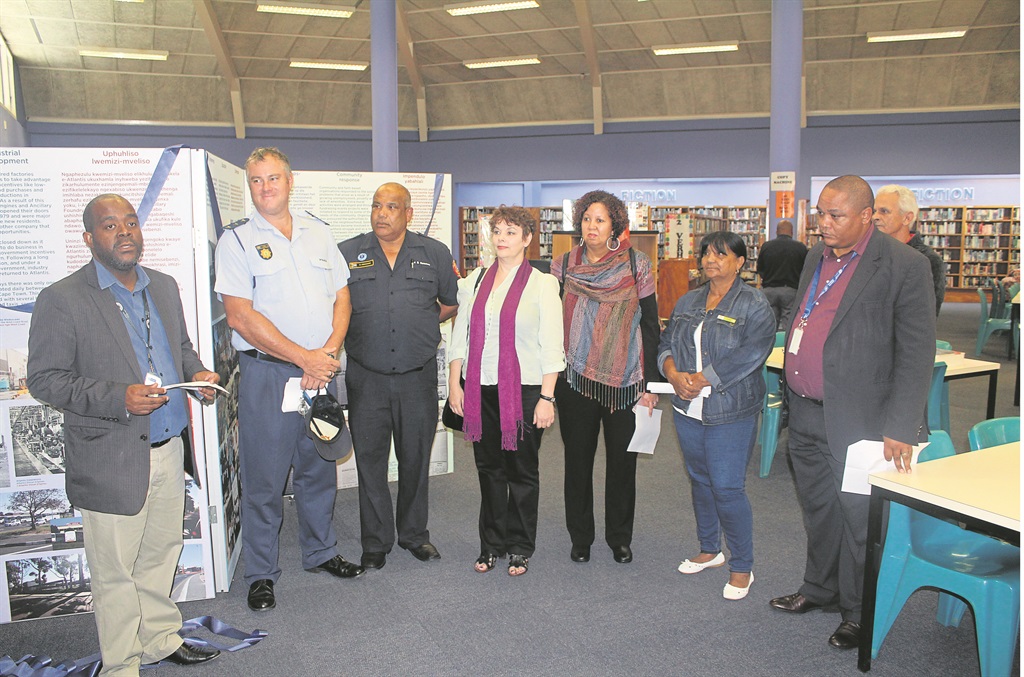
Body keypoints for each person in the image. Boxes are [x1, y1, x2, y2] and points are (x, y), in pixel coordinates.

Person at [27, 194, 222, 674]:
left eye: (130, 223)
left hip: (169, 448)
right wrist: (119, 398)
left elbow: (180, 348)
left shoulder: (164, 286)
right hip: (110, 456)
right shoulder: (62, 298)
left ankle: (160, 639)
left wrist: (198, 375)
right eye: (110, 225)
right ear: (89, 238)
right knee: (115, 572)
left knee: (161, 554)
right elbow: (45, 379)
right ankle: (122, 665)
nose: (124, 232)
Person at [770, 176, 935, 650]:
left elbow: (916, 352)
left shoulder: (905, 265)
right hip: (805, 412)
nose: (823, 223)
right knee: (819, 510)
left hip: (864, 420)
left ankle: (859, 612)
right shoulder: (815, 256)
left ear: (866, 216)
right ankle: (820, 588)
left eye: (835, 215)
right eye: (820, 213)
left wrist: (901, 426)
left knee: (860, 520)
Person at [215, 147, 363, 613]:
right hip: (269, 375)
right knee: (265, 478)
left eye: (273, 178)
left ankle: (321, 551)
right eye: (257, 180)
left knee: (319, 466)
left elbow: (342, 297)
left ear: (290, 181)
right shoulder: (236, 241)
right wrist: (305, 359)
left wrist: (329, 353)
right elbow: (240, 317)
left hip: (321, 371)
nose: (266, 188)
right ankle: (261, 573)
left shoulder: (319, 232)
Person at [339, 182, 459, 569]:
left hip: (416, 376)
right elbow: (336, 308)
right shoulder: (347, 253)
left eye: (391, 207)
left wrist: (419, 323)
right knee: (370, 461)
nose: (382, 213)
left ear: (408, 213)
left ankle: (414, 535)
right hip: (367, 377)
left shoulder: (435, 253)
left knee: (415, 458)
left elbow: (449, 303)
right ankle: (376, 542)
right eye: (377, 205)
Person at [447, 207, 564, 576]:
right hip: (479, 388)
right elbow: (460, 336)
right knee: (489, 469)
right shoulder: (476, 280)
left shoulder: (542, 284)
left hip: (525, 390)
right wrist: (454, 383)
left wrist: (547, 398)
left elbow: (552, 346)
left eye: (511, 232)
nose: (501, 238)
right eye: (497, 231)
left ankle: (519, 546)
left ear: (527, 239)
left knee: (521, 471)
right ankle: (491, 544)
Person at [659, 231, 776, 601]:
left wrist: (702, 378)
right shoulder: (688, 300)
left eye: (720, 254)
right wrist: (673, 375)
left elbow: (751, 354)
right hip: (687, 406)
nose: (710, 260)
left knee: (727, 487)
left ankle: (742, 565)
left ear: (739, 262)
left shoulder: (754, 304)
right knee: (700, 480)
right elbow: (666, 344)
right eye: (706, 254)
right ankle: (710, 549)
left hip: (731, 408)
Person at [550, 190, 660, 565]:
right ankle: (580, 537)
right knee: (577, 463)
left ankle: (619, 538)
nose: (592, 226)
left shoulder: (636, 264)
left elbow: (651, 324)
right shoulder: (563, 265)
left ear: (615, 224)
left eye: (600, 219)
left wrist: (650, 384)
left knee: (622, 464)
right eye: (586, 219)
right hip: (574, 379)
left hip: (625, 380)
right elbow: (549, 324)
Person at [873, 184, 946, 315]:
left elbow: (925, 316)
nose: (875, 217)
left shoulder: (928, 260)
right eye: (875, 211)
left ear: (907, 218)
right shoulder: (868, 253)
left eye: (884, 211)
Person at [756, 219, 808, 329]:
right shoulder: (800, 248)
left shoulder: (766, 246)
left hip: (769, 290)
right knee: (788, 325)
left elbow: (760, 268)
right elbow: (805, 270)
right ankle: (786, 340)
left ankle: (770, 340)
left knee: (769, 324)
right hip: (791, 291)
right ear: (792, 232)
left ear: (777, 231)